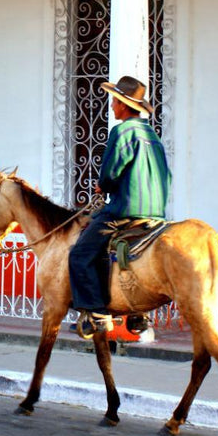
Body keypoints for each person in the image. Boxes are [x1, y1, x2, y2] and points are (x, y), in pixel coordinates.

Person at [68, 75, 171, 333]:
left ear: (124, 105)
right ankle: (137, 311)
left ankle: (96, 312)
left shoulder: (122, 131)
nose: (112, 106)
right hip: (156, 213)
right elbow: (166, 175)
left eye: (114, 101)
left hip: (125, 210)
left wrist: (103, 186)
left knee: (80, 254)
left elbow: (111, 173)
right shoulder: (152, 135)